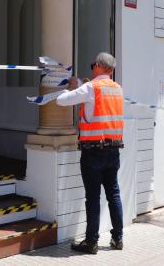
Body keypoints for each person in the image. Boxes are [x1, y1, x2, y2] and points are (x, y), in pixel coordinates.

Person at [56, 52, 124, 254]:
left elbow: (61, 100)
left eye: (93, 64)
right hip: (113, 150)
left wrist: (74, 87)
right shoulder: (117, 89)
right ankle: (118, 239)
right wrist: (85, 89)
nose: (92, 67)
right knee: (114, 194)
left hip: (93, 151)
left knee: (93, 197)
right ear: (111, 70)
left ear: (99, 67)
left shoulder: (90, 88)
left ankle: (91, 242)